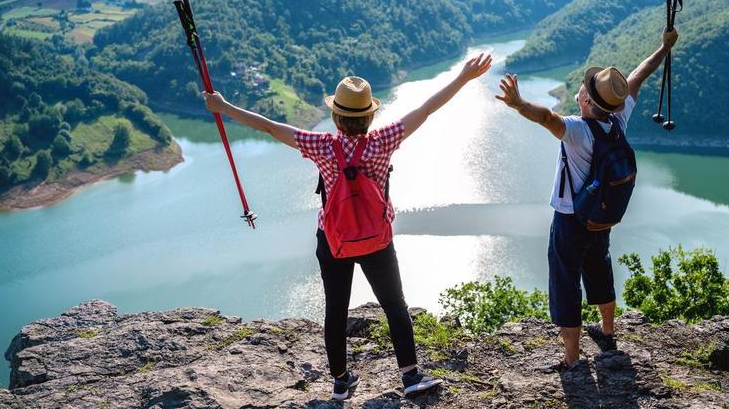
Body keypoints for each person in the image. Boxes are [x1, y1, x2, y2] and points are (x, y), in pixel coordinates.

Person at [203, 53, 493, 399]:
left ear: (335, 116)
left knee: (336, 309)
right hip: (377, 240)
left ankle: (341, 382)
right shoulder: (383, 142)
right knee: (395, 305)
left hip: (333, 240)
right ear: (370, 116)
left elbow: (268, 126)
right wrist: (462, 77)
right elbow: (426, 109)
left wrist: (224, 107)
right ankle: (411, 376)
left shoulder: (321, 146)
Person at [495, 28, 678, 368]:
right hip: (601, 216)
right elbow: (637, 77)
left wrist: (518, 103)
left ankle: (572, 357)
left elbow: (546, 117)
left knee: (566, 281)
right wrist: (663, 48)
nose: (581, 88)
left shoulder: (578, 131)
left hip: (570, 217)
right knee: (599, 266)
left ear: (587, 102)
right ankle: (607, 333)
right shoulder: (618, 119)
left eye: (585, 88)